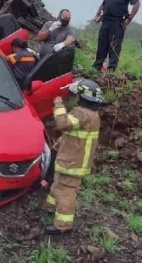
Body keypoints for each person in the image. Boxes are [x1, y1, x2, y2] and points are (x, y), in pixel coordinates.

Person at [44, 79, 104, 234]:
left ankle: (62, 226)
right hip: (73, 160)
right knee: (58, 185)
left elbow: (63, 124)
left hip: (72, 162)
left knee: (65, 192)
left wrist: (58, 104)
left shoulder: (82, 113)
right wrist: (61, 141)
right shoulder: (92, 115)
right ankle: (50, 208)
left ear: (82, 97)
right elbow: (75, 134)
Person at [92, 0, 140, 73]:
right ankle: (97, 66)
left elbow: (136, 3)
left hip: (118, 23)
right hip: (105, 21)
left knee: (114, 46)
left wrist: (130, 18)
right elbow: (104, 3)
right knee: (102, 44)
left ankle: (111, 70)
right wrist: (98, 14)